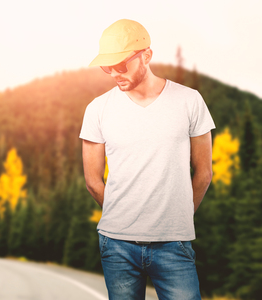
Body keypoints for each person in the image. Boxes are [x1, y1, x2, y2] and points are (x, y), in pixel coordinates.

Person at [79, 19, 215, 300]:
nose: (114, 73)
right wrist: (124, 214)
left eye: (121, 65)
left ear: (147, 56)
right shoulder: (97, 109)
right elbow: (93, 181)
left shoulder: (189, 101)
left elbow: (204, 173)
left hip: (173, 244)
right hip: (116, 245)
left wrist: (178, 218)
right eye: (108, 67)